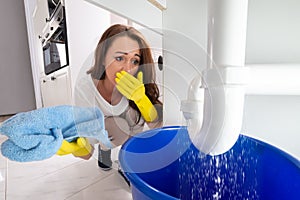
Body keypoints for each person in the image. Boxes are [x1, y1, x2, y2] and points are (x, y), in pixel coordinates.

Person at [70, 24, 163, 172]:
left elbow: (158, 126)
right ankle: (105, 149)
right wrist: (77, 148)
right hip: (107, 129)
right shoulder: (86, 88)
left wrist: (141, 100)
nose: (127, 69)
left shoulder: (139, 82)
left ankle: (128, 157)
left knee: (133, 118)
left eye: (135, 61)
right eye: (119, 58)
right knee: (115, 126)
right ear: (102, 58)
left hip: (130, 131)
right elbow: (87, 152)